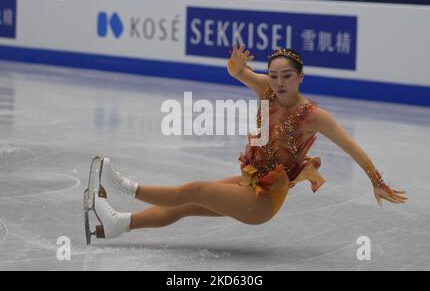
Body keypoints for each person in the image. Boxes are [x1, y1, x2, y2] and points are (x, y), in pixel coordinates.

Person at [90, 45, 407, 240]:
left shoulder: (313, 116)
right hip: (249, 182)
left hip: (264, 202)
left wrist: (376, 181)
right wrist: (235, 65)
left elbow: (352, 147)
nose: (278, 83)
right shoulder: (266, 90)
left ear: (300, 77)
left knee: (194, 189)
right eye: (273, 75)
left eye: (286, 76)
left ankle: (122, 187)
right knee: (186, 206)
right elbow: (237, 72)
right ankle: (118, 224)